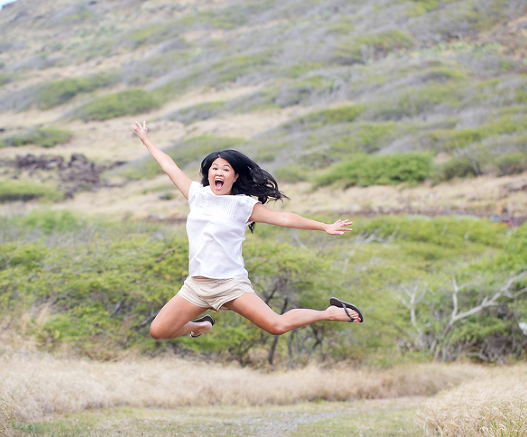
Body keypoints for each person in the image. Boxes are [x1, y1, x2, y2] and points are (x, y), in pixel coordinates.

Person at [133, 120, 363, 340]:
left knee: (277, 326)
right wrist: (145, 139)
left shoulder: (243, 205)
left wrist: (324, 226)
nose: (219, 173)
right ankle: (202, 325)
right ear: (209, 173)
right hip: (196, 285)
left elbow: (283, 218)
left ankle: (329, 313)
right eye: (215, 168)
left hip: (230, 284)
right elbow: (168, 166)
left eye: (226, 169)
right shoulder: (196, 194)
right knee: (158, 331)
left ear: (236, 176)